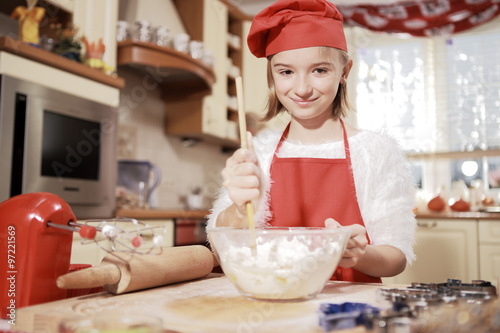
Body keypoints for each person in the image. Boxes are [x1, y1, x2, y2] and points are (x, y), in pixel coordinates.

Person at [207, 0, 417, 283]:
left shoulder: (375, 152)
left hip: (344, 312)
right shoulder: (259, 152)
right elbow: (221, 251)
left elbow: (396, 258)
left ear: (344, 72)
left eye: (319, 70)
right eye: (286, 72)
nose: (303, 88)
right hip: (270, 305)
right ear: (272, 76)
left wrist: (360, 254)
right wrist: (239, 207)